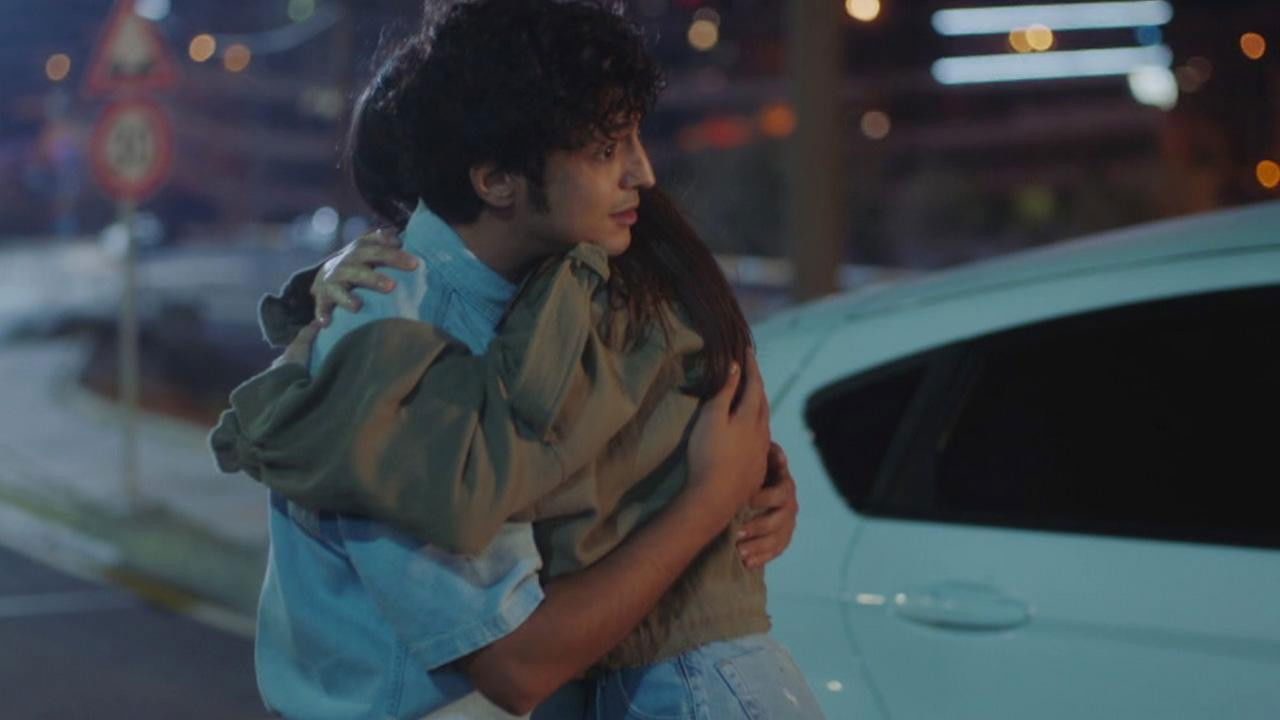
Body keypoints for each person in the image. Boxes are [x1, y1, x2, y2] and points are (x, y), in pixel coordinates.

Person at [212, 1, 822, 718]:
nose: (644, 174)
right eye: (604, 150)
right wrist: (707, 501)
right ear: (495, 180)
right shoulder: (395, 344)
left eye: (635, 137)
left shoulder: (552, 284)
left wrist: (753, 489)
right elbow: (516, 664)